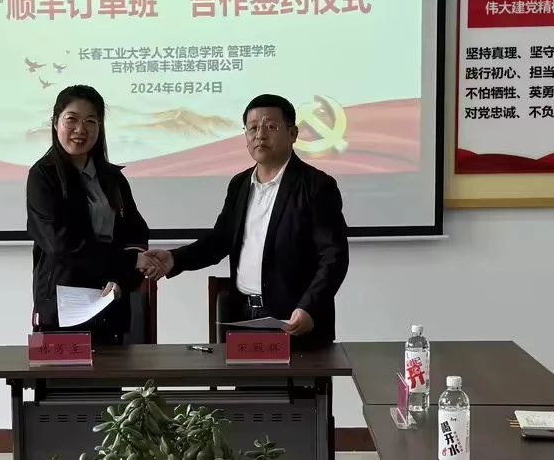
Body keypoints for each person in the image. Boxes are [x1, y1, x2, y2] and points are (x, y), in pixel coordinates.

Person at [141, 94, 349, 348]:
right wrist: (174, 259)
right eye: (252, 128)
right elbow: (220, 240)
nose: (260, 135)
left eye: (271, 127)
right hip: (245, 318)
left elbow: (334, 257)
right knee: (247, 377)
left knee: (300, 377)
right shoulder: (239, 184)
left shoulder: (316, 186)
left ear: (293, 133)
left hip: (296, 321)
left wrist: (310, 307)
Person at [26, 85, 151, 344]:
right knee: (64, 372)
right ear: (55, 122)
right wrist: (126, 263)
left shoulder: (113, 178)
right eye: (71, 119)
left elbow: (136, 235)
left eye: (91, 121)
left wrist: (122, 279)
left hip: (110, 305)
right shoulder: (42, 176)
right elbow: (60, 243)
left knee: (112, 371)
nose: (80, 129)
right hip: (62, 310)